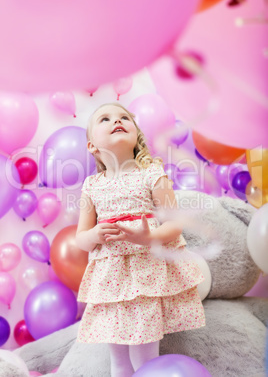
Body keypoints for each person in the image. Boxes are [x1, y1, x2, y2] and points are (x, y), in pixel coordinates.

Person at [76, 102, 205, 377]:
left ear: (136, 135)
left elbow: (174, 225)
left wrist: (148, 236)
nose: (116, 121)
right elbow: (81, 239)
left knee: (145, 357)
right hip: (111, 282)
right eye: (105, 119)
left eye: (124, 117)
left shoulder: (151, 173)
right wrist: (94, 234)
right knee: (119, 361)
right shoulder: (92, 185)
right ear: (92, 147)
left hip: (146, 275)